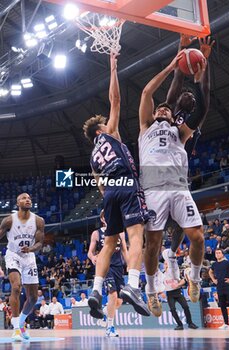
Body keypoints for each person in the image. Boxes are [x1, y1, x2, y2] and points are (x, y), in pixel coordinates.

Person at [138, 36, 213, 315]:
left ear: (173, 117)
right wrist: (175, 62)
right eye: (161, 108)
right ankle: (152, 291)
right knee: (153, 243)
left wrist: (201, 73)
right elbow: (147, 93)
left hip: (179, 186)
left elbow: (203, 107)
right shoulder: (146, 127)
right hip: (154, 187)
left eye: (167, 110)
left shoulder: (179, 133)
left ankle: (193, 278)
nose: (163, 109)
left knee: (199, 236)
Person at [83, 53, 150, 318]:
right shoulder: (109, 133)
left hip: (109, 193)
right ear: (100, 129)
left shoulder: (92, 158)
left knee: (109, 243)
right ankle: (133, 285)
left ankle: (95, 291)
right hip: (126, 184)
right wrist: (113, 66)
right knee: (136, 236)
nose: (109, 122)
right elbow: (116, 100)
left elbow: (100, 187)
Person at [0, 193, 45, 341]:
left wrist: (31, 249)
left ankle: (21, 323)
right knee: (16, 287)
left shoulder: (38, 221)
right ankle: (16, 328)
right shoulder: (8, 221)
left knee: (32, 297)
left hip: (29, 257)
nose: (28, 200)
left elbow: (40, 243)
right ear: (17, 202)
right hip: (13, 255)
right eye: (24, 198)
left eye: (30, 198)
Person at [88, 209, 129, 337]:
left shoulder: (120, 232)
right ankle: (110, 327)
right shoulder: (96, 233)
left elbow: (124, 251)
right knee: (113, 295)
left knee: (119, 301)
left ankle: (103, 312)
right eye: (105, 216)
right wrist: (93, 258)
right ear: (102, 219)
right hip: (105, 266)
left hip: (118, 267)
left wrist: (129, 265)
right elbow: (90, 252)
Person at [160, 250, 198, 330]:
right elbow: (159, 285)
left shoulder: (174, 272)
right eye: (165, 264)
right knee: (172, 309)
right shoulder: (162, 275)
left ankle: (190, 323)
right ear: (163, 265)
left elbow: (184, 280)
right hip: (170, 294)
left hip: (177, 292)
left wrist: (178, 284)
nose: (166, 265)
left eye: (167, 263)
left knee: (186, 306)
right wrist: (160, 293)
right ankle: (179, 325)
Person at [209, 248, 229, 330]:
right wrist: (213, 280)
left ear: (222, 254)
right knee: (222, 305)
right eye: (216, 253)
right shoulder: (214, 264)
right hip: (219, 286)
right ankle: (226, 323)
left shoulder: (227, 263)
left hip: (227, 285)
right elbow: (210, 272)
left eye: (219, 253)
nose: (217, 254)